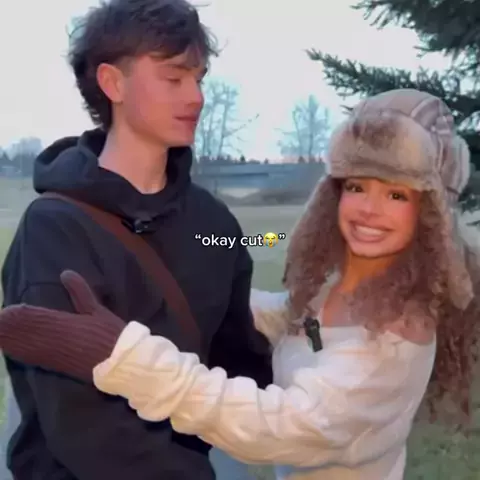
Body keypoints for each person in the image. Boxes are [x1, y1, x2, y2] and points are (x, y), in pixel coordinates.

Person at [1, 88, 479, 480]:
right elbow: (296, 323)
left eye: (396, 194)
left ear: (431, 216)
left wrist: (127, 358)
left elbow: (278, 425)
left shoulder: (394, 336)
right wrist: (180, 283)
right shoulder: (334, 293)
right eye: (356, 186)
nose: (368, 209)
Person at [0, 0, 272, 478]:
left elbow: (241, 366)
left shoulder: (215, 225)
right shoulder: (54, 230)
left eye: (199, 78)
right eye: (174, 78)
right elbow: (79, 424)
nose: (196, 97)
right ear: (113, 83)